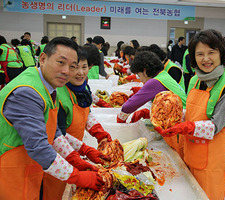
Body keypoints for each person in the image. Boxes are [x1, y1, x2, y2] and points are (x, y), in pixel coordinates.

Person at [0, 37, 109, 199]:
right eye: (61, 62)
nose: (67, 71)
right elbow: (38, 147)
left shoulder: (48, 86)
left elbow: (54, 131)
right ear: (43, 59)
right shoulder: (27, 92)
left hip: (31, 166)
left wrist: (76, 159)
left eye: (73, 66)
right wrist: (77, 176)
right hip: (10, 171)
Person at [155, 29, 225, 200]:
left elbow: (215, 127)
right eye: (200, 54)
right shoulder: (196, 80)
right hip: (192, 150)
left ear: (221, 53)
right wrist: (167, 116)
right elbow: (190, 113)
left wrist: (186, 127)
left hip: (216, 158)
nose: (205, 59)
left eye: (211, 52)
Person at [53, 45, 112, 199]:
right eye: (75, 67)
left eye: (84, 67)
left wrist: (98, 132)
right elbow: (56, 134)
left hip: (74, 155)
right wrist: (84, 149)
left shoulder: (83, 87)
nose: (80, 72)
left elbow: (86, 112)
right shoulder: (58, 93)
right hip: (56, 158)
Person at [117, 51, 187, 158]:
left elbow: (129, 106)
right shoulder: (163, 75)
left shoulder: (155, 81)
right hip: (179, 121)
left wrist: (120, 121)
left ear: (145, 71)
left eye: (139, 75)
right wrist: (148, 113)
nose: (140, 78)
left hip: (180, 127)